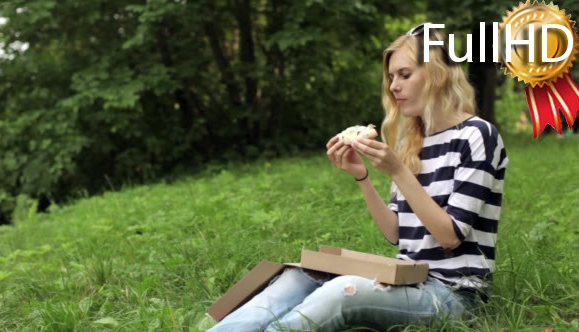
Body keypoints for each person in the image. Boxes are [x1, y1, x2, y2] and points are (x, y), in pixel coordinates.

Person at [207, 22, 508, 332]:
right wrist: (362, 177)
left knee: (343, 292)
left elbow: (450, 236)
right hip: (409, 277)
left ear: (438, 74)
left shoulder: (477, 136)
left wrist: (399, 172)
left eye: (405, 75)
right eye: (391, 77)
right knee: (301, 275)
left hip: (454, 296)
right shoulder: (412, 142)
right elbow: (397, 234)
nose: (393, 86)